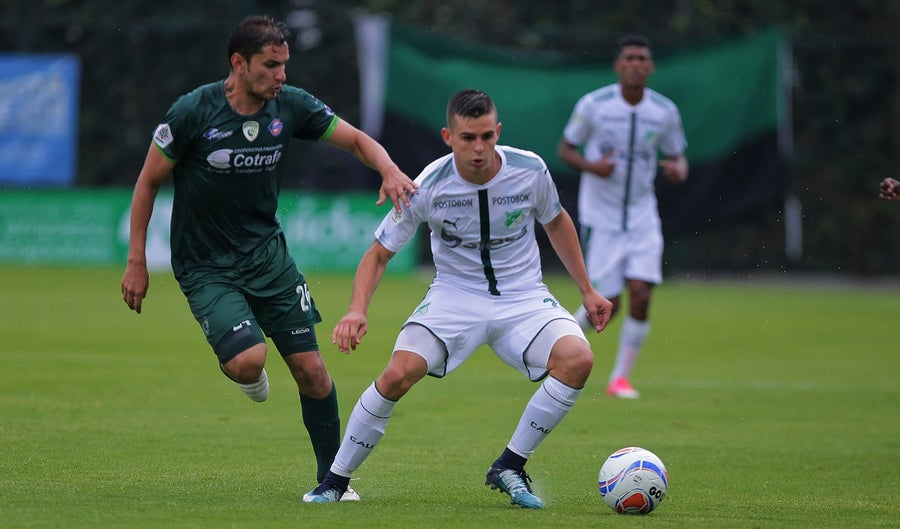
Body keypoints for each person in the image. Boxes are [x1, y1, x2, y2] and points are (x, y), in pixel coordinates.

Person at [120, 15, 416, 501]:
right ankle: (246, 368)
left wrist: (388, 168)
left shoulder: (291, 105)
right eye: (271, 65)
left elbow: (357, 141)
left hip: (268, 259)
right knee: (247, 362)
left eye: (284, 65)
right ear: (239, 64)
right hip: (206, 265)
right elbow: (148, 182)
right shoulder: (192, 112)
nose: (281, 75)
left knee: (313, 372)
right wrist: (136, 260)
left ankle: (333, 482)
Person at [301, 89, 613, 508]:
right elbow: (378, 254)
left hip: (523, 297)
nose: (479, 148)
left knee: (578, 359)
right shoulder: (426, 185)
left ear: (498, 131)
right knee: (397, 374)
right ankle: (335, 482)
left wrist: (587, 289)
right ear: (448, 137)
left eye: (487, 136)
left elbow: (556, 222)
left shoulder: (530, 170)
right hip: (454, 297)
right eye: (468, 138)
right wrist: (357, 310)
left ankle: (510, 465)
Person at [556, 34, 688, 399]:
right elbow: (565, 149)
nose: (635, 64)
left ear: (651, 67)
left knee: (642, 293)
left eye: (642, 58)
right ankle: (555, 348)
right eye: (629, 58)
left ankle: (620, 379)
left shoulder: (664, 111)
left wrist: (679, 169)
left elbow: (677, 156)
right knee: (607, 303)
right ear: (618, 66)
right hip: (602, 217)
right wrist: (591, 166)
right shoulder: (594, 105)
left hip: (643, 215)